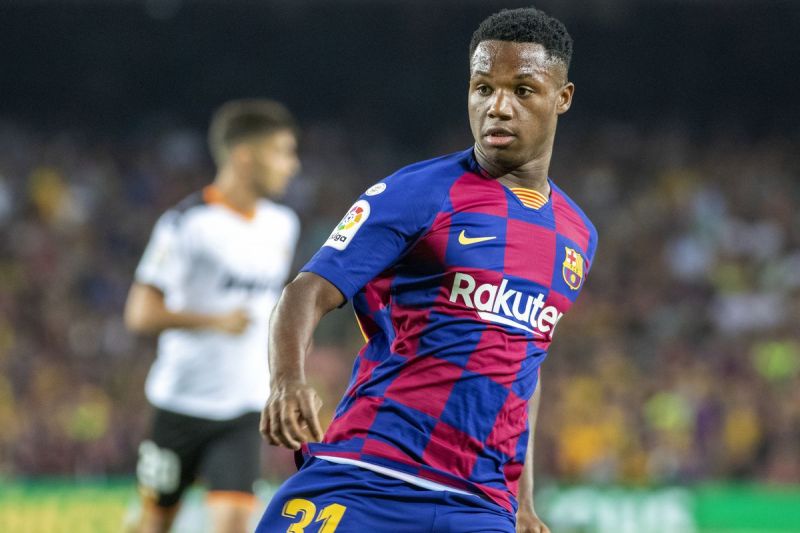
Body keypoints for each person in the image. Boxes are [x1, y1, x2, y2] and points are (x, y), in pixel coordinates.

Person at [257, 7, 597, 533]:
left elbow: (524, 368)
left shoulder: (577, 235)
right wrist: (286, 380)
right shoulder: (419, 192)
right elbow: (306, 291)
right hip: (367, 472)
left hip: (479, 503)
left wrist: (522, 501)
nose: (498, 107)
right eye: (483, 88)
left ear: (562, 97)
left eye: (523, 90)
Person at [124, 99, 301, 533]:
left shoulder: (283, 224)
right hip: (179, 405)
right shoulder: (187, 223)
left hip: (243, 408)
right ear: (244, 156)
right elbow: (140, 313)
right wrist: (214, 321)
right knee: (155, 523)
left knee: (235, 525)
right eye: (281, 152)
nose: (292, 165)